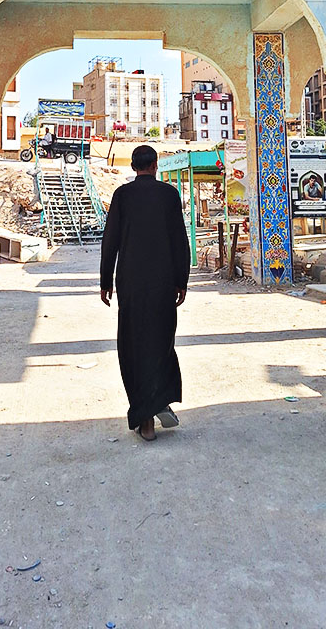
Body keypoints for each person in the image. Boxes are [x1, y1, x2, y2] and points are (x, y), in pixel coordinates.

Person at [100, 144, 190, 442]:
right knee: (161, 342)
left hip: (131, 284)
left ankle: (147, 416)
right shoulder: (168, 195)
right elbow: (180, 241)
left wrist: (105, 282)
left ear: (134, 167)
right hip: (162, 283)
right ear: (154, 165)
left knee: (134, 344)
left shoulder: (122, 196)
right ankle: (155, 402)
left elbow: (110, 241)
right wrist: (182, 280)